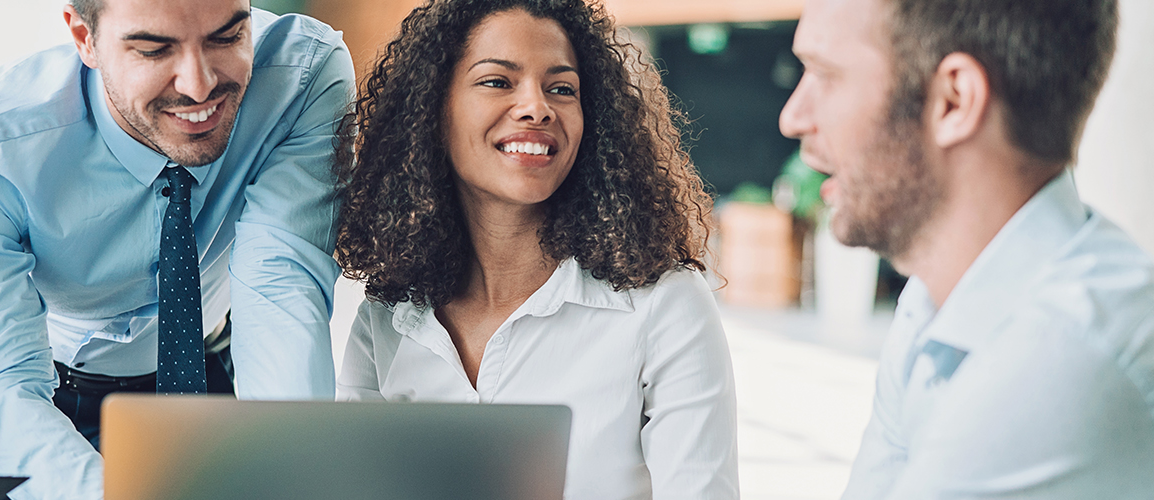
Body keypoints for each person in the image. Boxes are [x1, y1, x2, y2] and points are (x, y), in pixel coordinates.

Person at [0, 0, 353, 497]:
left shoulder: (301, 78)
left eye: (227, 37)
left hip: (199, 359)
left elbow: (280, 282)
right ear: (85, 38)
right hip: (33, 383)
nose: (199, 84)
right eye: (153, 50)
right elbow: (2, 384)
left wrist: (291, 475)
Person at [334, 0, 738, 498]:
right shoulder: (387, 316)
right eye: (498, 81)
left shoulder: (664, 304)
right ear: (432, 110)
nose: (536, 106)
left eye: (562, 89)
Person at [780, 0, 1154, 497]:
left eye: (825, 74)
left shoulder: (1052, 362)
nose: (793, 118)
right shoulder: (932, 303)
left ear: (953, 101)